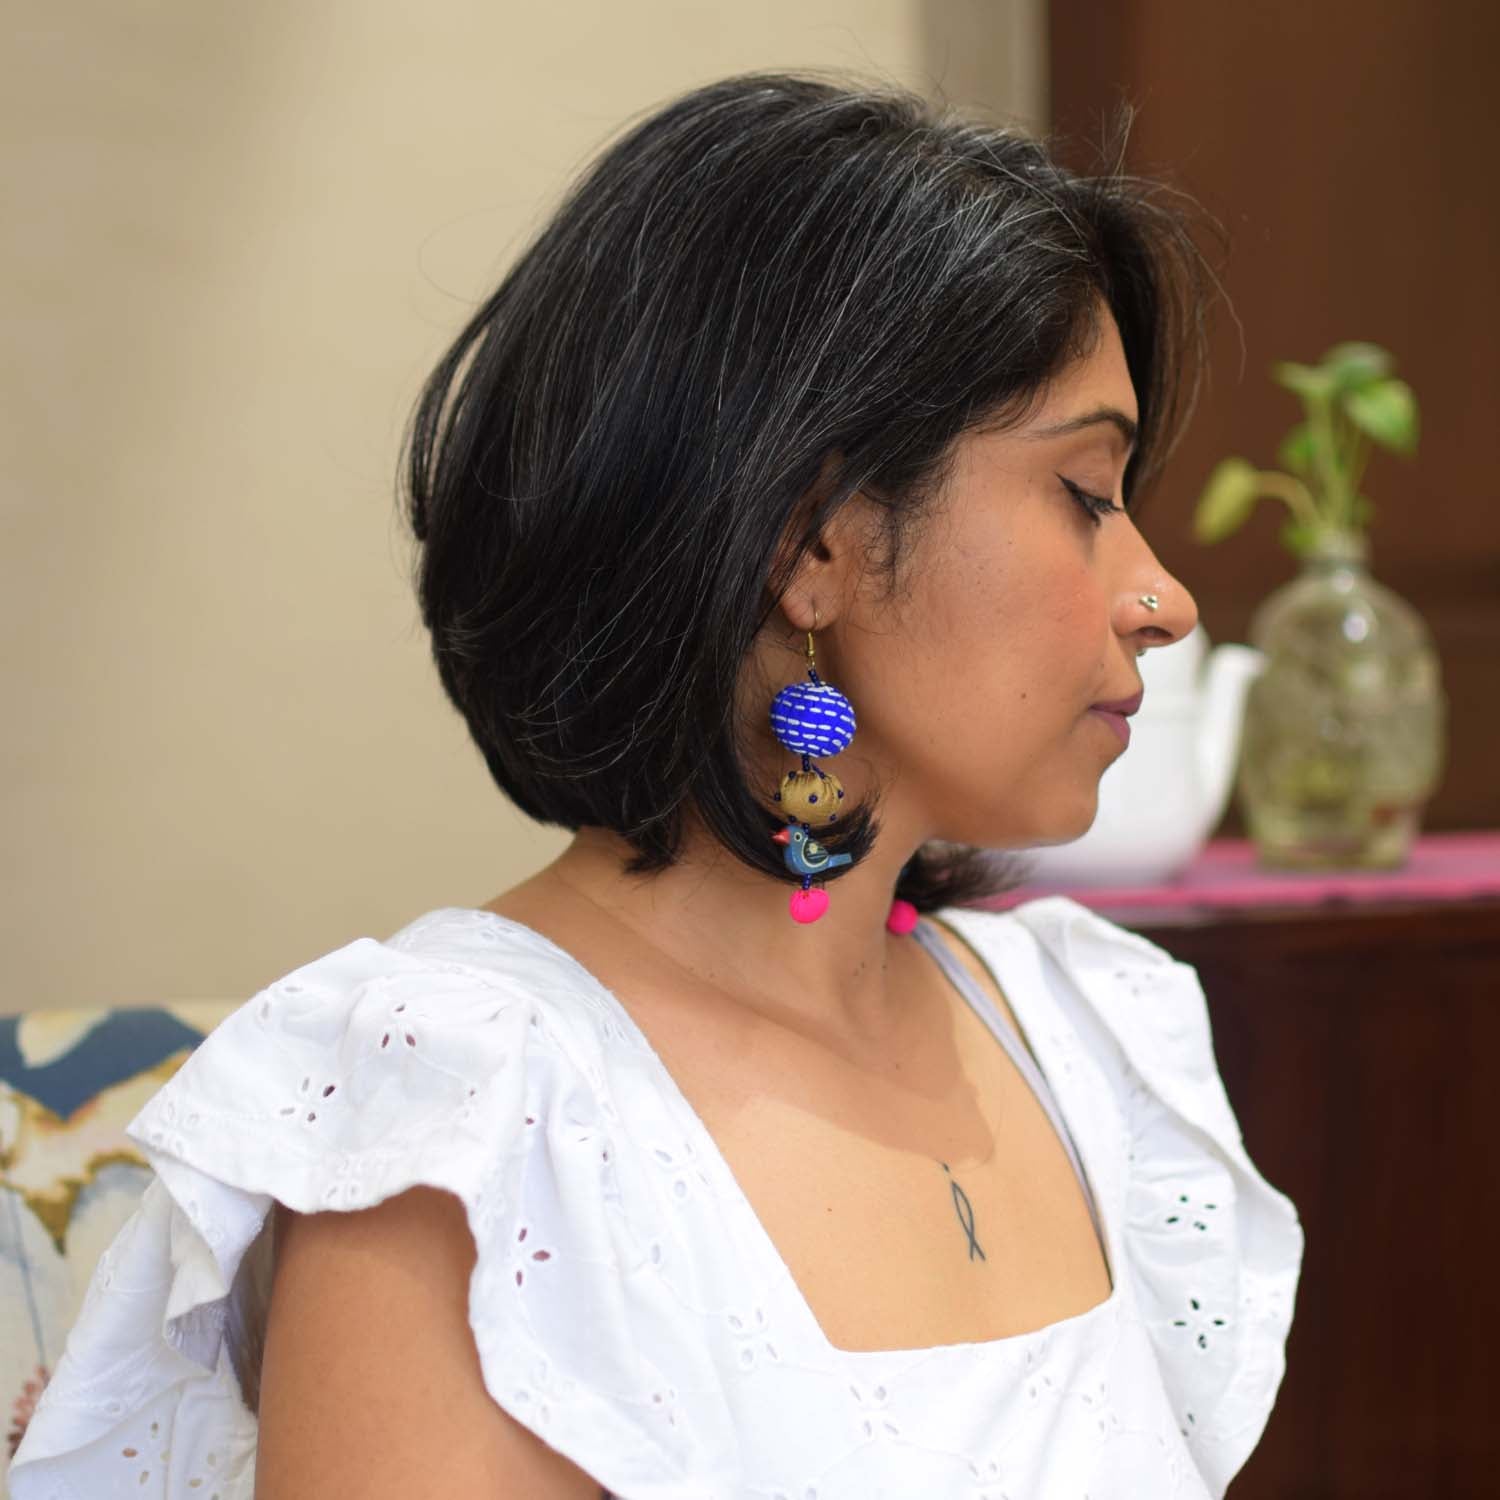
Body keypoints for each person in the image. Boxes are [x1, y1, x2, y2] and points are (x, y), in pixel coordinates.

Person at [9, 69, 1303, 1499]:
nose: (1164, 600)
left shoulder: (1088, 1038)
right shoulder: (466, 1115)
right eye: (1086, 494)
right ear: (811, 541)